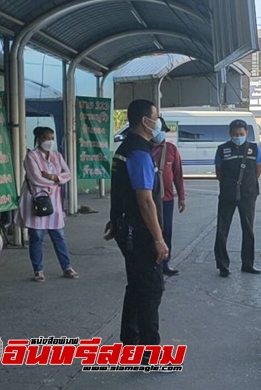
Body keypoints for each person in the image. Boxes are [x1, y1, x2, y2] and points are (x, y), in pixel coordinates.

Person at [104, 99, 168, 352]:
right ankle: (150, 352)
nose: (159, 122)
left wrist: (115, 218)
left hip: (124, 226)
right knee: (151, 289)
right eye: (156, 117)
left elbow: (121, 189)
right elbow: (144, 201)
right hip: (139, 233)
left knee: (136, 285)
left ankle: (130, 341)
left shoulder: (124, 148)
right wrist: (158, 238)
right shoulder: (140, 153)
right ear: (145, 120)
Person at [15, 127, 77, 282]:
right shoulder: (31, 157)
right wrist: (57, 181)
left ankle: (67, 267)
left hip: (54, 203)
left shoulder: (57, 156)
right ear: (39, 139)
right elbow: (36, 179)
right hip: (37, 200)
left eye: (52, 137)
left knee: (59, 236)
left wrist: (52, 177)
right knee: (36, 236)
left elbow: (68, 173)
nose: (50, 141)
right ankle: (38, 270)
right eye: (46, 138)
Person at [214, 119, 261, 277]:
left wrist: (245, 186)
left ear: (246, 133)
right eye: (235, 134)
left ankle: (248, 264)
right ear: (230, 134)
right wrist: (230, 186)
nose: (238, 136)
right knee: (222, 229)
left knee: (248, 229)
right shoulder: (222, 149)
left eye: (241, 134)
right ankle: (222, 265)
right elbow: (219, 173)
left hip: (248, 194)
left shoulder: (255, 149)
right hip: (227, 194)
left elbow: (258, 171)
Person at [151, 118, 185, 276]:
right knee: (150, 231)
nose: (160, 134)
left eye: (162, 131)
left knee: (167, 232)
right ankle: (151, 263)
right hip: (149, 199)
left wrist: (182, 197)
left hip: (167, 200)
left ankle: (165, 263)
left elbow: (178, 175)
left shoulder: (171, 149)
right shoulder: (145, 149)